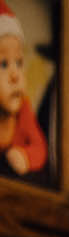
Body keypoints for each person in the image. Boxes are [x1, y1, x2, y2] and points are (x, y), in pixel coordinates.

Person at [0, 9, 48, 179]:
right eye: (3, 65)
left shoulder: (23, 108)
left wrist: (26, 157)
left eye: (19, 62)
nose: (15, 75)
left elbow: (40, 147)